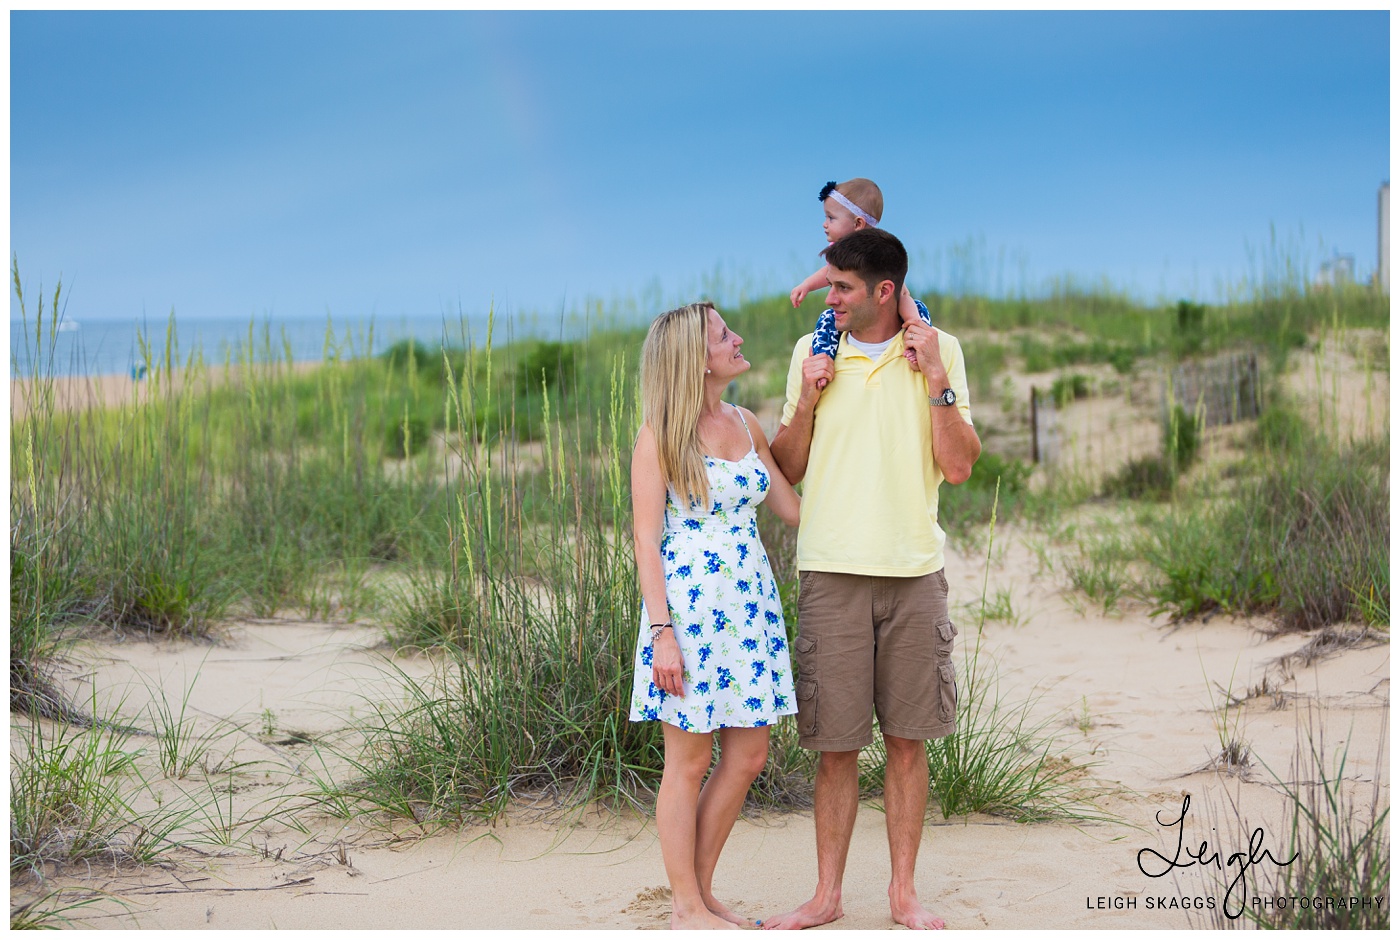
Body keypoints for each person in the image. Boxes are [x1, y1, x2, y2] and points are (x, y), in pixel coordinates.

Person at [764, 229, 981, 931]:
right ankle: (827, 895)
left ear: (884, 291)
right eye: (829, 286)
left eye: (843, 288)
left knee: (908, 741)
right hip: (830, 572)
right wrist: (806, 395)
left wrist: (937, 383)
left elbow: (959, 467)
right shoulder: (811, 351)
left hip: (913, 572)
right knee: (834, 745)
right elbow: (786, 468)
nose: (831, 299)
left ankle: (903, 895)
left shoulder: (937, 350)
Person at [629, 301, 803, 930]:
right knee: (689, 761)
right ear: (691, 359)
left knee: (749, 755)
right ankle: (685, 906)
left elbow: (792, 510)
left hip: (750, 609)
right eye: (722, 335)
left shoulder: (746, 422)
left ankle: (699, 895)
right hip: (689, 615)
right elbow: (645, 540)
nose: (736, 339)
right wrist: (661, 636)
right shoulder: (661, 435)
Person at [789, 178, 931, 379]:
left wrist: (913, 321)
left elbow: (901, 292)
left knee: (918, 312)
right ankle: (822, 361)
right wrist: (807, 285)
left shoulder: (878, 249)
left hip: (897, 302)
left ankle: (917, 346)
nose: (824, 224)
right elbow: (827, 272)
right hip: (875, 308)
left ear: (858, 223)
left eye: (831, 218)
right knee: (826, 320)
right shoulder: (840, 252)